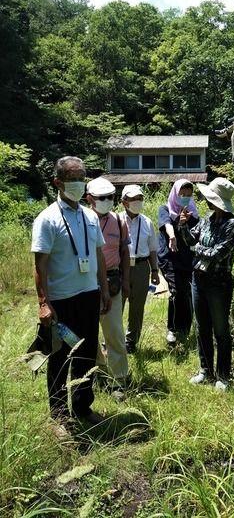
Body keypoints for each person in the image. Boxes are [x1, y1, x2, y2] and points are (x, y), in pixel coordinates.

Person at [31, 156, 111, 429]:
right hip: (62, 300)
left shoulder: (90, 216)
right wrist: (44, 303)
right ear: (58, 182)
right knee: (60, 357)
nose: (78, 183)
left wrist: (103, 289)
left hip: (88, 295)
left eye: (81, 177)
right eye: (72, 178)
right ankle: (59, 414)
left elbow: (99, 255)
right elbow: (39, 264)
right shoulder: (47, 219)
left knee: (87, 353)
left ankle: (82, 406)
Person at [179, 177, 234, 391]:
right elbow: (190, 241)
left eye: (210, 199)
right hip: (199, 279)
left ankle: (223, 376)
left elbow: (217, 254)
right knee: (202, 327)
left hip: (219, 283)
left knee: (221, 330)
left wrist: (197, 249)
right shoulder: (207, 219)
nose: (207, 201)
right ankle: (205, 371)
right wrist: (183, 225)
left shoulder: (233, 226)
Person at [86, 177, 130, 395]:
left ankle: (120, 378)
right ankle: (100, 373)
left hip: (112, 282)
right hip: (86, 282)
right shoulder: (82, 220)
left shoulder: (119, 221)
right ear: (90, 199)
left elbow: (124, 252)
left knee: (114, 332)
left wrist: (127, 282)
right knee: (88, 332)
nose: (107, 201)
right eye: (102, 198)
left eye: (110, 197)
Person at [158, 179, 199, 344]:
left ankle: (184, 329)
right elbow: (166, 224)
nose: (185, 197)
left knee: (187, 292)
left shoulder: (193, 213)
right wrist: (173, 235)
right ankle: (172, 329)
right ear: (176, 193)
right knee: (176, 292)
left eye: (189, 195)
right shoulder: (165, 208)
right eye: (182, 194)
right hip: (169, 257)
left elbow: (197, 234)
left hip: (187, 258)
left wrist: (186, 222)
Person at [120, 184, 160, 352]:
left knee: (137, 307)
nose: (137, 202)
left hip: (142, 267)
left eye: (140, 198)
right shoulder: (116, 219)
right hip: (120, 267)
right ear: (124, 202)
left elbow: (152, 249)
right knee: (116, 305)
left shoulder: (147, 222)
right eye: (133, 199)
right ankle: (112, 339)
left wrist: (155, 270)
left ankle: (131, 341)